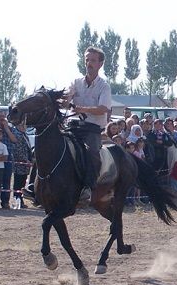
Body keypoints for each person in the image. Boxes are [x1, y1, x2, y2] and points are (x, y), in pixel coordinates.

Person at [65, 46, 112, 203]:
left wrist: (81, 108)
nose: (89, 63)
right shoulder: (75, 82)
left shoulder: (104, 86)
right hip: (72, 126)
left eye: (92, 60)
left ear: (100, 64)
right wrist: (63, 101)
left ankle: (88, 187)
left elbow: (103, 109)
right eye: (87, 60)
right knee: (48, 144)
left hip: (91, 129)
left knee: (92, 152)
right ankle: (34, 185)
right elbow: (66, 98)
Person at [12, 122, 32, 208]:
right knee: (18, 183)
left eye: (25, 125)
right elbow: (18, 150)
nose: (24, 127)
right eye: (22, 125)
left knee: (22, 183)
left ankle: (20, 200)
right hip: (20, 163)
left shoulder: (24, 134)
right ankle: (17, 200)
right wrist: (25, 160)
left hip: (25, 164)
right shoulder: (18, 135)